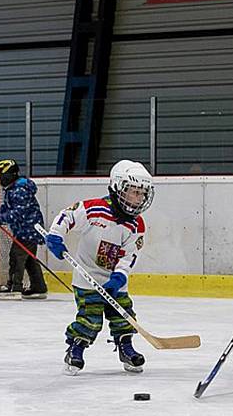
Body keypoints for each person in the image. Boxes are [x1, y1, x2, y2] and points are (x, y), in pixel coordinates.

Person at [45, 160, 154, 375]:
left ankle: (126, 347)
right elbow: (67, 216)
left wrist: (119, 278)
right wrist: (56, 236)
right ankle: (75, 349)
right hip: (87, 278)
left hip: (114, 281)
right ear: (118, 188)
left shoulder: (136, 225)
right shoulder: (94, 209)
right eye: (134, 192)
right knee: (90, 318)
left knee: (123, 315)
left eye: (143, 193)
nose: (140, 198)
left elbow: (129, 257)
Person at [0, 159, 47, 300]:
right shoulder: (12, 189)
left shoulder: (19, 190)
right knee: (29, 259)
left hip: (28, 231)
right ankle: (39, 287)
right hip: (25, 230)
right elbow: (7, 208)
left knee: (16, 257)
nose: (0, 180)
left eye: (1, 177)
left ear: (10, 175)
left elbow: (19, 212)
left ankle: (14, 287)